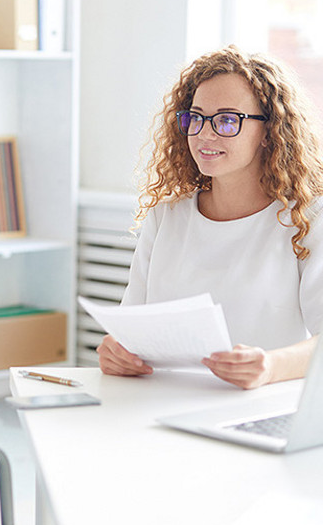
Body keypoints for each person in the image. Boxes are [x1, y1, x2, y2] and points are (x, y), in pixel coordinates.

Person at [98, 45, 323, 389]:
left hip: (259, 407)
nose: (204, 133)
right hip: (158, 405)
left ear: (269, 131)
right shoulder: (166, 216)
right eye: (197, 117)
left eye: (228, 120)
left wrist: (270, 367)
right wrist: (116, 352)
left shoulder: (308, 219)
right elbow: (129, 329)